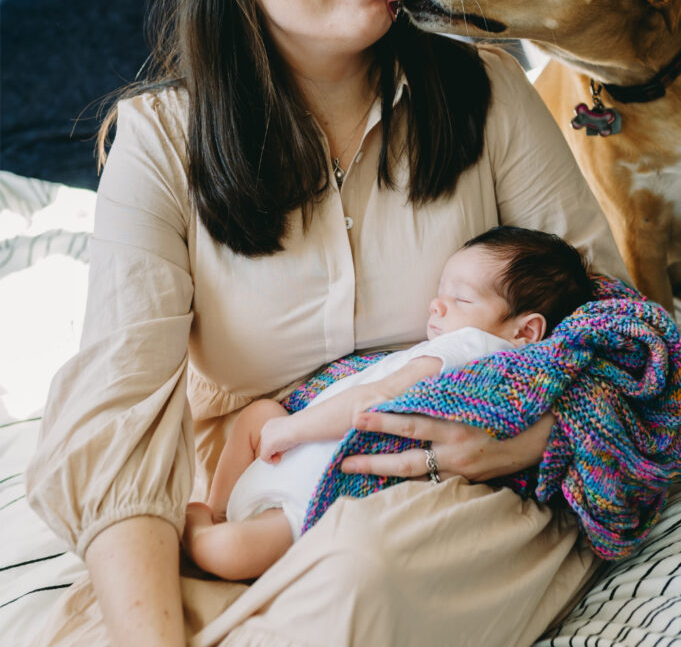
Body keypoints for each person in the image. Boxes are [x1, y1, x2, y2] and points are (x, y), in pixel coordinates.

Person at [26, 0, 630, 647]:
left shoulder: (487, 89)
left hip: (463, 488)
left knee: (360, 571)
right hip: (256, 501)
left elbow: (613, 330)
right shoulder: (160, 139)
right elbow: (115, 406)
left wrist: (521, 441)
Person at [183, 226, 593, 582]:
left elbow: (374, 401)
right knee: (259, 416)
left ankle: (210, 516)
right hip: (302, 456)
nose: (437, 304)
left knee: (229, 548)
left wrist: (290, 429)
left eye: (461, 299)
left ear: (526, 331)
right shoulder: (467, 351)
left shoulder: (473, 349)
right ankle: (217, 511)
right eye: (440, 292)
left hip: (316, 487)